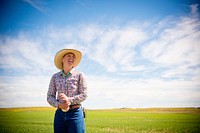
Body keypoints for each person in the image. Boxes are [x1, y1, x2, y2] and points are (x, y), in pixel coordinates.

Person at [47, 48, 87, 133]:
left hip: (75, 114)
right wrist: (59, 105)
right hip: (59, 115)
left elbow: (84, 94)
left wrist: (68, 100)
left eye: (73, 57)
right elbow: (50, 96)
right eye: (69, 56)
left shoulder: (80, 75)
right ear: (62, 59)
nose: (71, 58)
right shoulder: (55, 77)